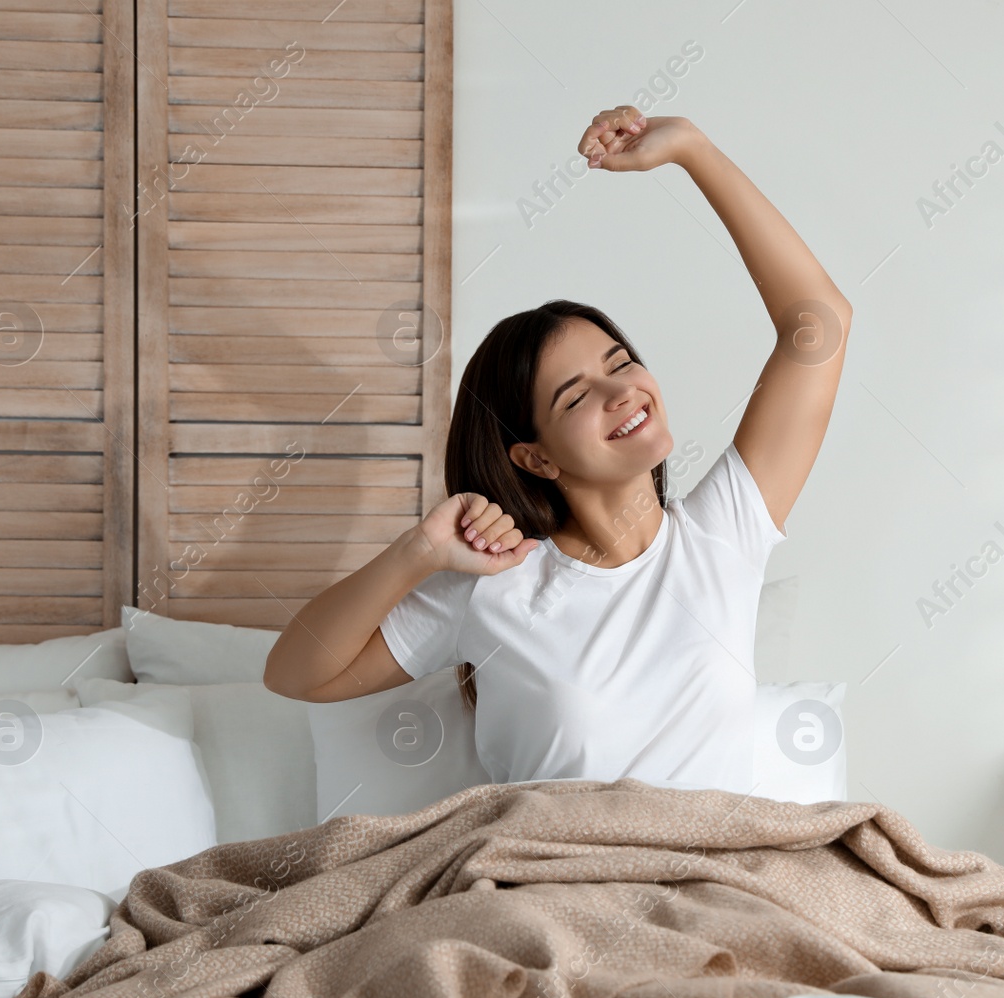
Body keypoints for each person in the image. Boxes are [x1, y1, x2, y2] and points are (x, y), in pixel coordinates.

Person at [265, 105, 851, 794]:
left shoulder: (724, 533)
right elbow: (296, 672)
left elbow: (821, 321)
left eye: (620, 361)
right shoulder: (495, 587)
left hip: (710, 879)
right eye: (575, 397)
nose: (622, 391)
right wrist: (418, 553)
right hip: (551, 880)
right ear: (535, 457)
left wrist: (693, 150)